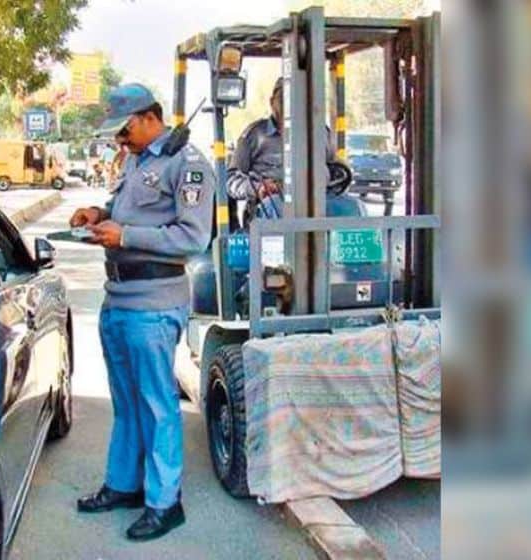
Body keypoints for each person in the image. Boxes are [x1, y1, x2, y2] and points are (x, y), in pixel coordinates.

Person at [69, 83, 214, 542]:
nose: (120, 138)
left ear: (150, 117)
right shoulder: (136, 159)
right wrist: (98, 214)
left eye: (125, 128)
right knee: (127, 401)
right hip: (118, 298)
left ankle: (165, 502)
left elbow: (193, 238)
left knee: (156, 403)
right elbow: (122, 208)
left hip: (154, 303)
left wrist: (126, 236)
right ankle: (124, 485)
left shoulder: (188, 164)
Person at [226, 77, 336, 228]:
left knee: (351, 207)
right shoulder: (254, 135)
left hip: (317, 204)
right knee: (279, 208)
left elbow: (336, 170)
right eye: (284, 100)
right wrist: (257, 188)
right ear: (272, 103)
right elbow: (231, 179)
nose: (291, 106)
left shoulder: (321, 133)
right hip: (268, 208)